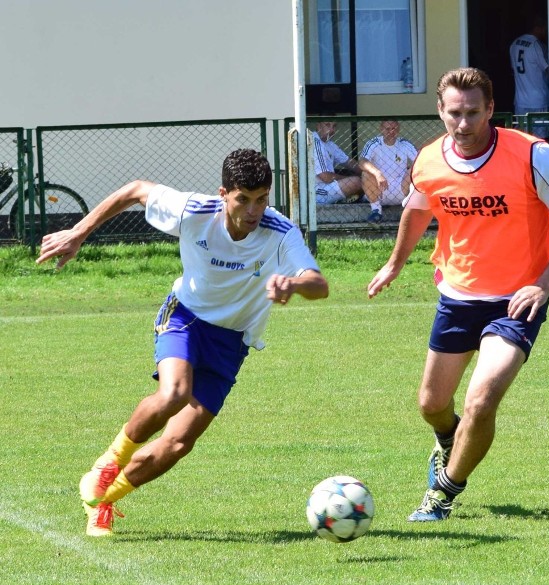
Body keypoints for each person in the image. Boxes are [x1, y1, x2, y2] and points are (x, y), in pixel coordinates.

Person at [36, 149, 329, 537]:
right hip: (185, 317)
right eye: (243, 198)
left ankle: (103, 500)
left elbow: (319, 284)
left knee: (177, 444)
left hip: (232, 342)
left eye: (261, 199)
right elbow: (135, 190)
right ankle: (107, 464)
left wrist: (293, 283)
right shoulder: (194, 210)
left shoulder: (279, 232)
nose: (253, 209)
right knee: (174, 392)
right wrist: (78, 232)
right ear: (224, 193)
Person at [368, 67, 549, 522]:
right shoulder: (429, 159)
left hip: (517, 299)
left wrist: (543, 284)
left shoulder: (532, 155)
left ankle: (443, 492)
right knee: (432, 405)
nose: (464, 123)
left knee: (482, 398)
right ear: (440, 111)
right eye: (454, 113)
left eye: (474, 113)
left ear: (491, 109)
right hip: (457, 296)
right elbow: (417, 210)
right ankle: (450, 439)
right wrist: (394, 264)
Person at [359, 120, 418, 223]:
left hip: (400, 188)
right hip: (379, 188)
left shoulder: (404, 144)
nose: (391, 132)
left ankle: (412, 208)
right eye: (387, 129)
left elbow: (419, 160)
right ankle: (376, 211)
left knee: (416, 169)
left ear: (398, 130)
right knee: (365, 174)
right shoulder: (374, 143)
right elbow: (362, 162)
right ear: (381, 129)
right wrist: (378, 173)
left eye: (394, 129)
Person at [509, 16, 549, 139]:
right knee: (540, 139)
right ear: (538, 28)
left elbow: (513, 69)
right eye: (545, 29)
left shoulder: (514, 44)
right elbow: (548, 69)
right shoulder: (536, 45)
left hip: (520, 100)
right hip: (538, 100)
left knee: (523, 138)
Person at [313, 121, 363, 204]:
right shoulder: (315, 142)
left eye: (334, 126)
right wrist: (349, 179)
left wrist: (369, 173)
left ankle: (345, 198)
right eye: (328, 125)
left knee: (367, 181)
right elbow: (325, 177)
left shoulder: (329, 144)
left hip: (328, 187)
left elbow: (349, 162)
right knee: (357, 182)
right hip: (316, 192)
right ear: (318, 126)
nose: (332, 130)